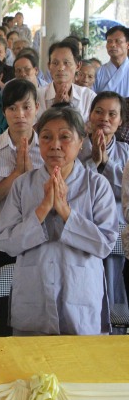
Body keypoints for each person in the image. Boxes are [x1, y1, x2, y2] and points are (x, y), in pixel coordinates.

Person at [0, 106, 117, 336]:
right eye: (46, 137)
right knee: (31, 357)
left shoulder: (97, 185)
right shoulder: (23, 185)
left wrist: (65, 212)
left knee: (80, 358)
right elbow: (6, 242)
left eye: (65, 137)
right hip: (34, 295)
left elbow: (105, 244)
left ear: (81, 142)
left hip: (80, 295)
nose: (55, 145)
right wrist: (42, 210)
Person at [0, 79, 44, 336]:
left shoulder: (48, 149)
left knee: (35, 322)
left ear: (37, 108)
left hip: (36, 246)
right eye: (12, 108)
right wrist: (16, 176)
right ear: (4, 112)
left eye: (26, 107)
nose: (20, 114)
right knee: (1, 324)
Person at [79, 92, 129, 308]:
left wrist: (106, 164)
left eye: (112, 114)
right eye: (98, 112)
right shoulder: (77, 148)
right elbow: (74, 188)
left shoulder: (126, 152)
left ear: (121, 121)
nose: (104, 118)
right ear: (90, 115)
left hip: (115, 231)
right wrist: (93, 163)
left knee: (113, 293)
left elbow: (125, 192)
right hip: (83, 231)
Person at [37, 41, 96, 120]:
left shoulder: (88, 97)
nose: (61, 68)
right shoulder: (37, 95)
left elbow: (91, 126)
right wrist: (54, 108)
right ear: (49, 66)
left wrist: (69, 107)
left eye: (66, 63)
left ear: (78, 66)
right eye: (55, 63)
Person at [93, 26, 129, 95]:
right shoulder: (98, 73)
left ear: (127, 45)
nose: (112, 45)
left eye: (118, 41)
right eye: (109, 41)